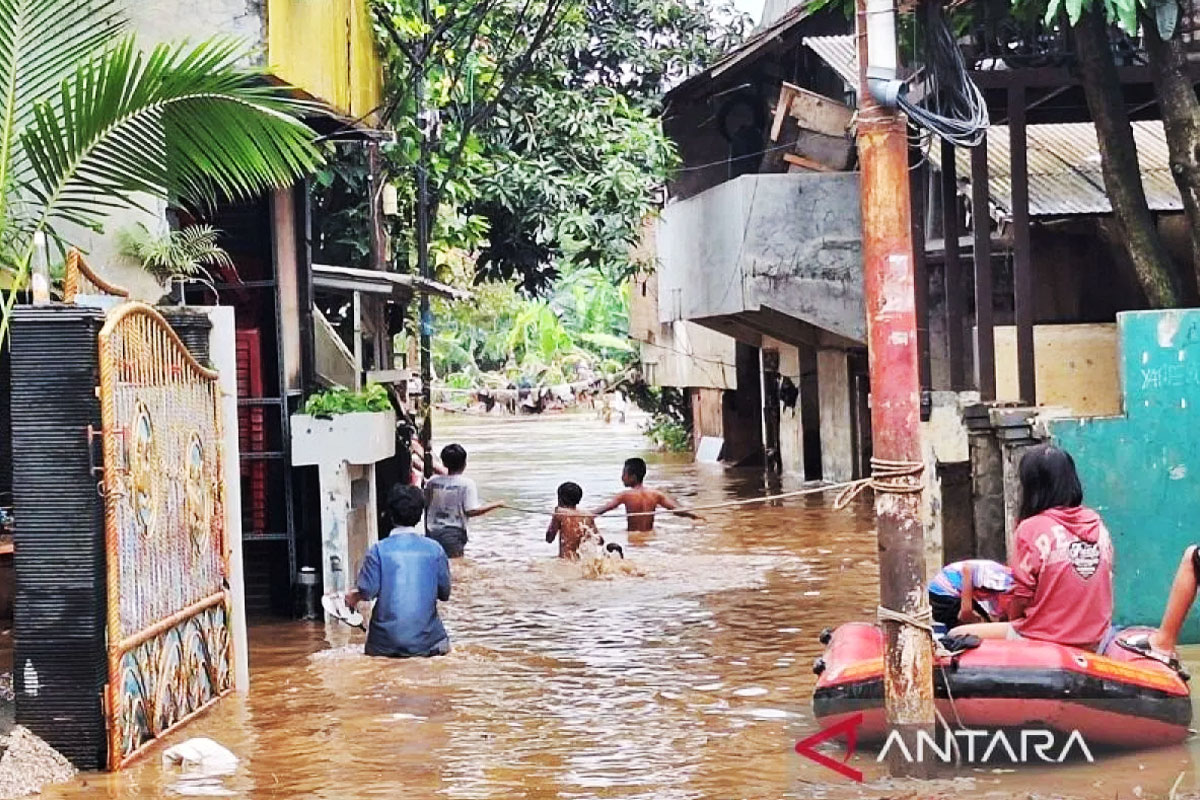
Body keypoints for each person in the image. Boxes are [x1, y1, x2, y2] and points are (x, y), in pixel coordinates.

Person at [952, 444, 1114, 651]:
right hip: (1095, 639)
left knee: (955, 635)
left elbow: (1021, 598)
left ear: (1031, 487)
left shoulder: (1031, 529)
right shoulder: (1097, 525)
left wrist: (1012, 622)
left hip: (1045, 638)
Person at [345, 485, 452, 658]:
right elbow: (445, 593)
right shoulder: (436, 550)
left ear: (390, 514)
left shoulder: (378, 550)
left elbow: (367, 591)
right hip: (427, 643)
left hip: (384, 644)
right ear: (419, 516)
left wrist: (354, 596)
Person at [423, 443, 502, 558]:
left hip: (431, 531)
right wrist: (496, 505)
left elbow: (426, 504)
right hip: (453, 534)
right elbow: (471, 511)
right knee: (457, 565)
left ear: (444, 463)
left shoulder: (433, 482)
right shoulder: (467, 484)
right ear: (464, 464)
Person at [593, 457, 702, 532]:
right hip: (650, 536)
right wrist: (695, 516)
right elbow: (677, 511)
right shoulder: (655, 494)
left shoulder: (625, 495)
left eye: (624, 474)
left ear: (633, 477)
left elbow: (604, 509)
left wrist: (583, 515)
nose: (622, 478)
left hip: (633, 538)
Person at [928, 559, 1013, 629]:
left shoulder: (1000, 593)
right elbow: (967, 569)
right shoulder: (1003, 581)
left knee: (986, 625)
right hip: (943, 592)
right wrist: (967, 610)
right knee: (977, 627)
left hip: (950, 590)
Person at [546, 482, 605, 559]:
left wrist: (554, 516)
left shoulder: (560, 513)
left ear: (560, 499)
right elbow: (600, 541)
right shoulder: (586, 515)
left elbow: (549, 538)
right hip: (581, 560)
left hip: (566, 560)